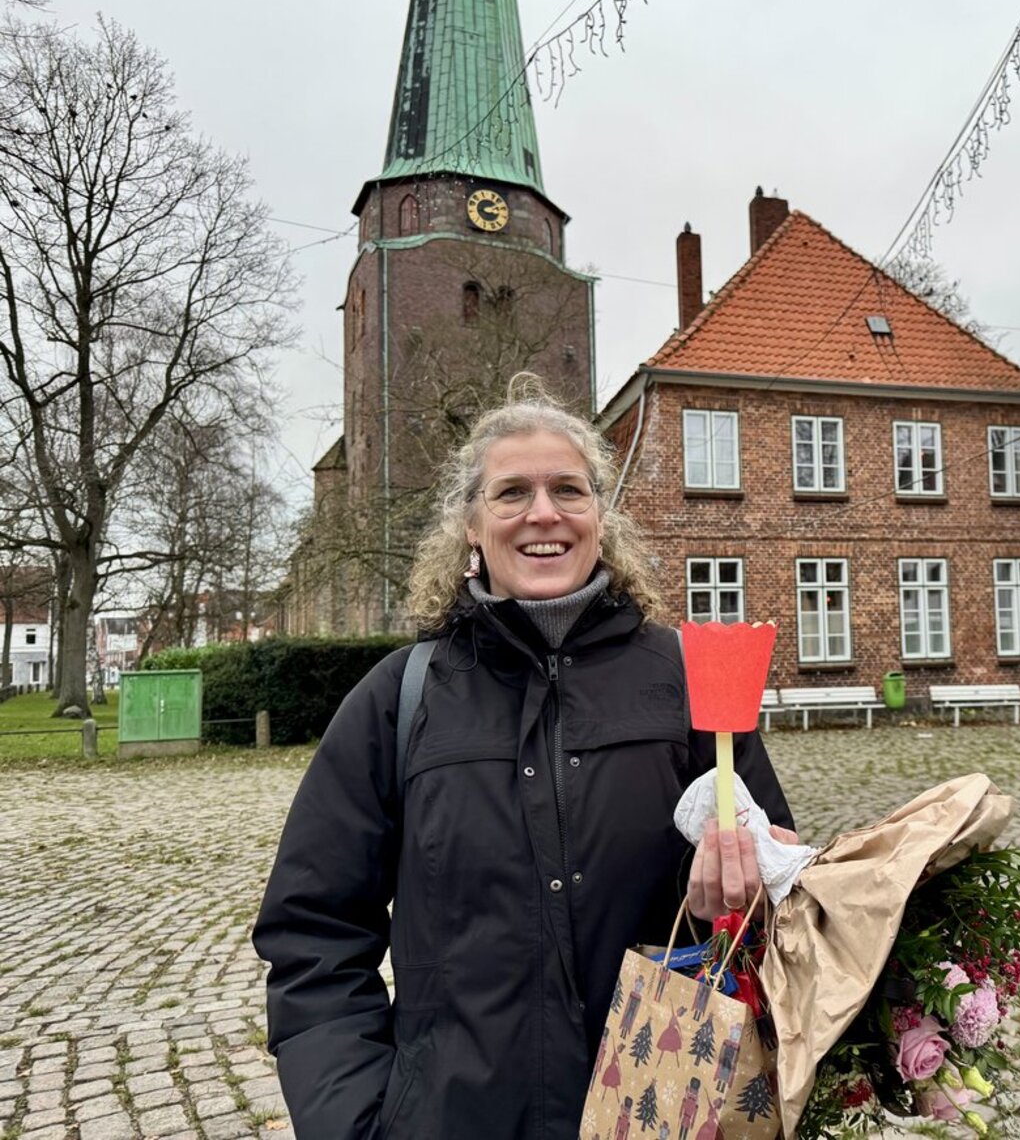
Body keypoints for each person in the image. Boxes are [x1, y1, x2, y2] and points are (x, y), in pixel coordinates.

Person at [253, 378, 795, 1139]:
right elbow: (314, 933)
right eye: (512, 493)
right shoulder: (398, 698)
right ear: (472, 525)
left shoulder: (688, 683)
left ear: (600, 518)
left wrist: (743, 887)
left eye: (568, 489)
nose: (543, 513)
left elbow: (783, 898)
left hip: (663, 1111)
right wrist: (359, 1120)